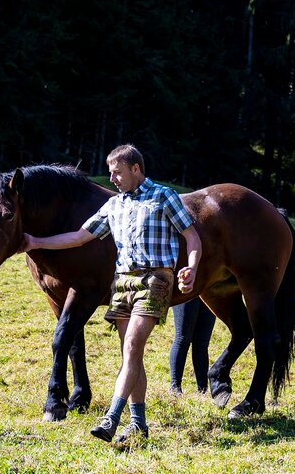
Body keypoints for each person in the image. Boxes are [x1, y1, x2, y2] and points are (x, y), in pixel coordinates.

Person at [20, 144, 201, 449]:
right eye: (110, 173)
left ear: (136, 169)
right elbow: (79, 237)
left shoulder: (164, 196)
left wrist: (192, 268)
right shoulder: (114, 205)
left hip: (156, 278)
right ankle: (140, 423)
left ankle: (112, 417)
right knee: (130, 355)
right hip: (123, 281)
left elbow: (192, 236)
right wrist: (35, 240)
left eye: (117, 172)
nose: (112, 178)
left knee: (131, 346)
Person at [169, 296, 216, 395]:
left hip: (209, 289)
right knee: (182, 338)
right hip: (186, 291)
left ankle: (202, 389)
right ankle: (175, 387)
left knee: (202, 343)